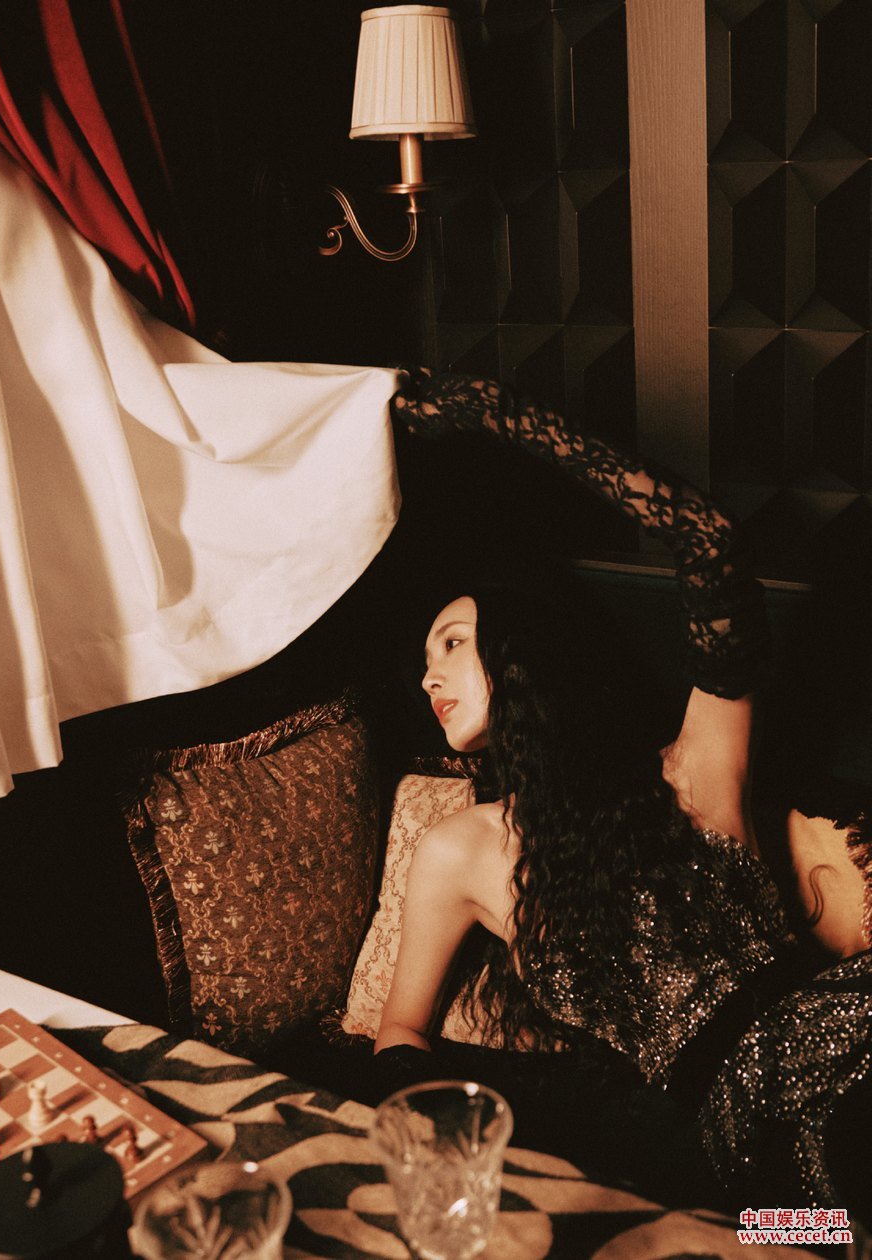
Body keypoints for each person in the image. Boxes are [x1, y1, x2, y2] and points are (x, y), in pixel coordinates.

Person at [370, 368, 812, 1197]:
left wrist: (498, 413)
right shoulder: (459, 851)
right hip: (729, 1156)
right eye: (426, 659)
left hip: (838, 1041)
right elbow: (400, 1027)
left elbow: (709, 542)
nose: (429, 676)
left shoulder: (687, 775)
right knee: (803, 1239)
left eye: (453, 642)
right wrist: (444, 1148)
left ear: (521, 653)